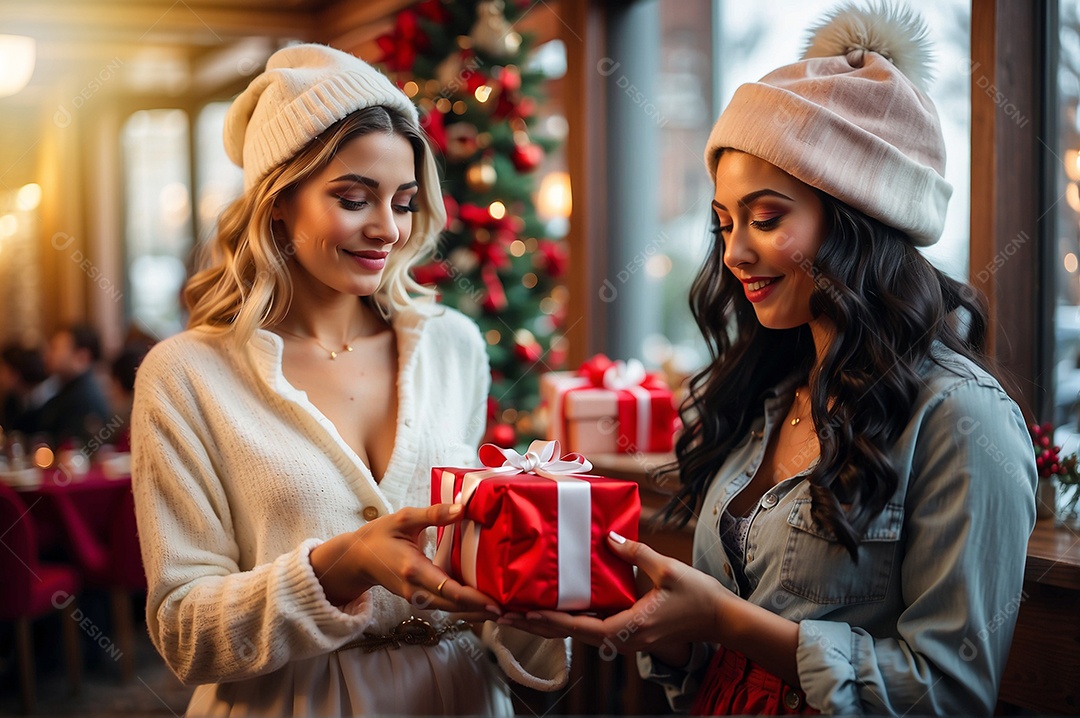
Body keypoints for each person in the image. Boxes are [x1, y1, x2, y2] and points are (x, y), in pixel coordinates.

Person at [500, 3, 1037, 716]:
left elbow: (949, 694)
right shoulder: (773, 394)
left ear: (856, 217)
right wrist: (665, 633)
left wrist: (723, 619)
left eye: (766, 217)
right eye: (724, 223)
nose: (733, 253)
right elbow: (727, 657)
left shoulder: (962, 418)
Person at [131, 44, 567, 717]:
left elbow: (469, 563)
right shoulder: (187, 375)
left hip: (459, 696)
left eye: (403, 201)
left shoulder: (451, 345)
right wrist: (342, 565)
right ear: (278, 202)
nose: (387, 229)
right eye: (354, 198)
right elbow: (185, 634)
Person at [34, 324, 110, 445]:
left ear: (81, 357)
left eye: (55, 348)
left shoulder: (85, 398)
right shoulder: (66, 388)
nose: (46, 355)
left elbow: (78, 452)